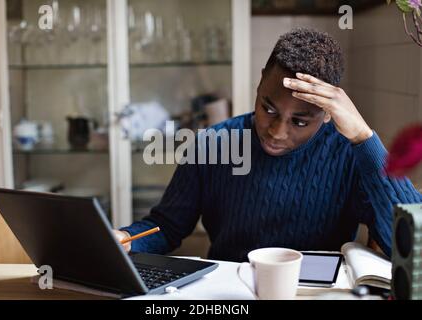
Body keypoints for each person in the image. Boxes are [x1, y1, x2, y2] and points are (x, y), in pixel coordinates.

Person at [114, 28, 422, 262]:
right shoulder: (213, 143)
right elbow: (166, 226)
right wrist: (126, 238)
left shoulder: (350, 155)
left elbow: (412, 248)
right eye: (268, 108)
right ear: (260, 82)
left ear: (328, 113)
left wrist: (364, 139)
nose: (276, 131)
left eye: (299, 121)